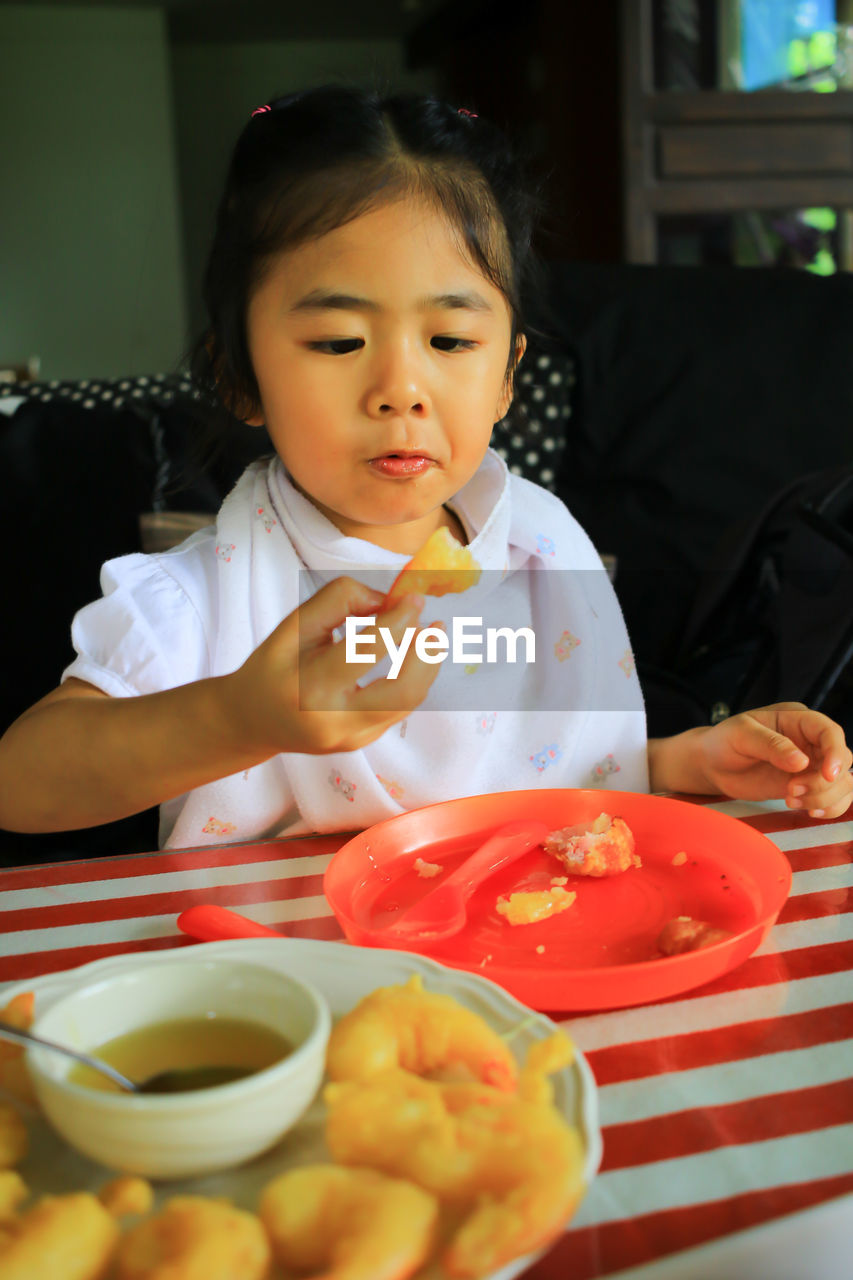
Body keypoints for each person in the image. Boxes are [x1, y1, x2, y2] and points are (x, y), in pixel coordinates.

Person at [0, 86, 850, 848]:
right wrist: (232, 717)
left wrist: (689, 761)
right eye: (338, 341)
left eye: (449, 341)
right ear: (239, 377)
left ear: (508, 375)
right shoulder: (209, 596)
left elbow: (558, 775)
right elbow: (21, 783)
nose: (400, 389)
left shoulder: (538, 552)